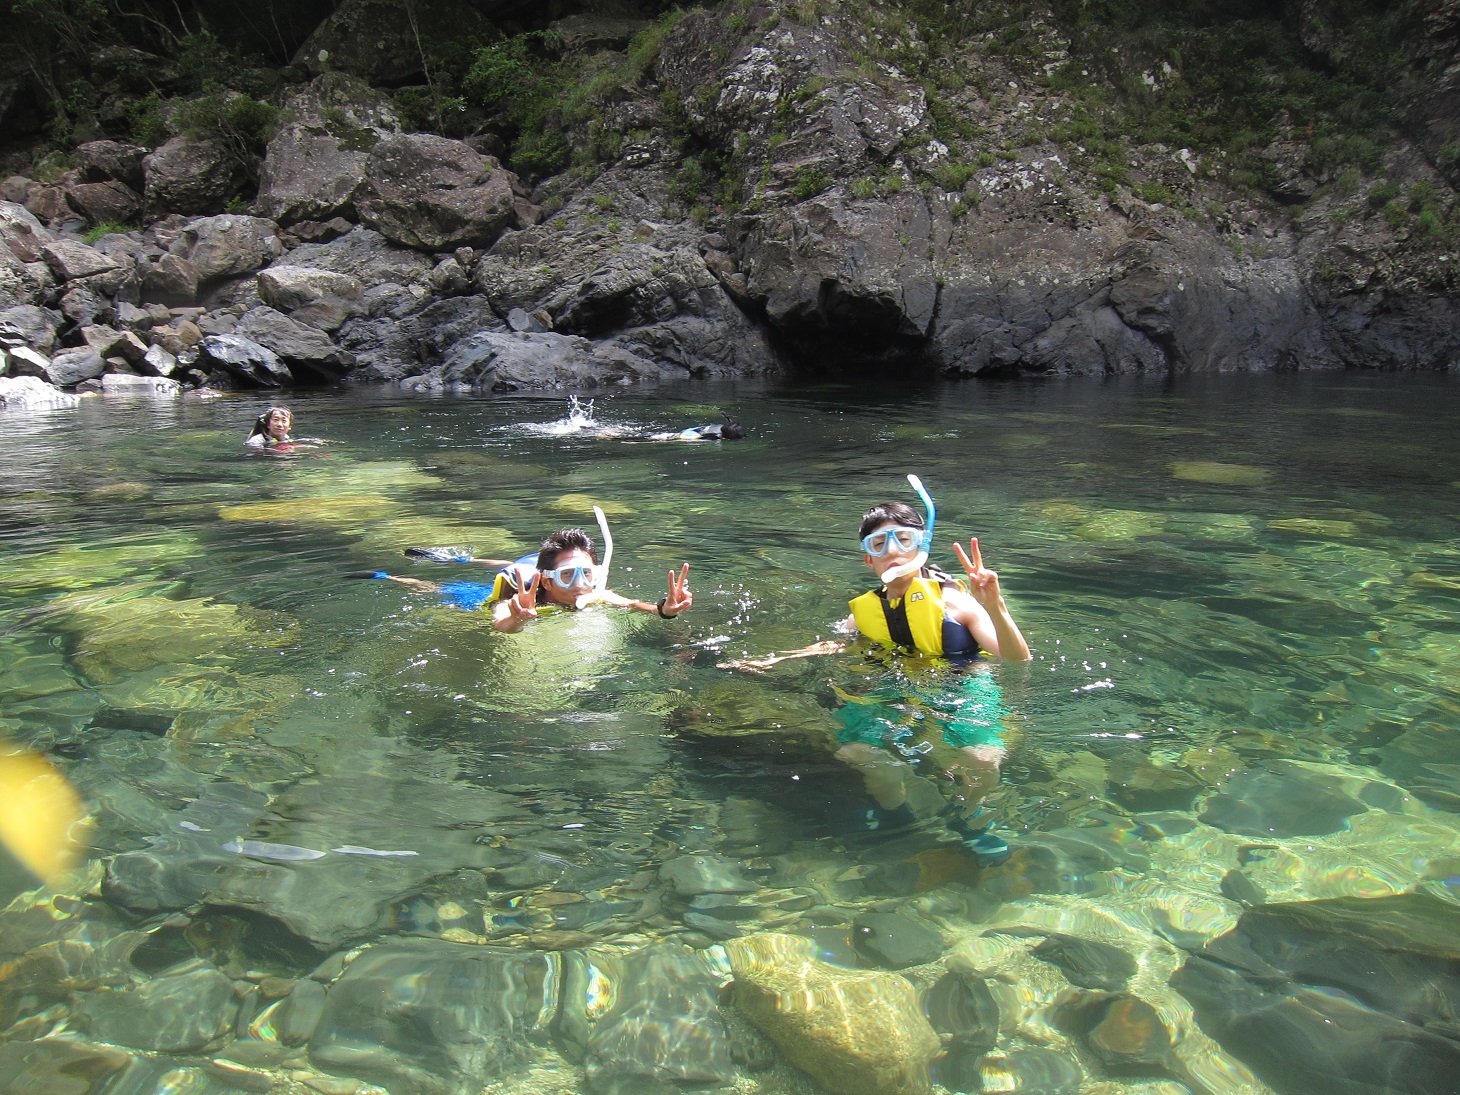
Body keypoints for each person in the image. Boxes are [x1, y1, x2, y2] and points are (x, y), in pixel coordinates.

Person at [721, 475, 1030, 866]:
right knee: (857, 750)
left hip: (961, 684)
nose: (893, 551)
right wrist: (777, 658)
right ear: (868, 559)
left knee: (983, 758)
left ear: (923, 544)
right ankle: (895, 813)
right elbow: (836, 643)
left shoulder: (957, 604)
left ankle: (971, 817)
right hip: (891, 684)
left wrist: (996, 605)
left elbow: (1017, 659)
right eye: (879, 544)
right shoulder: (863, 611)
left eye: (904, 539)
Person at [349, 517, 693, 633]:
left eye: (587, 574)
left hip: (529, 572)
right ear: (546, 579)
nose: (580, 586)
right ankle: (389, 576)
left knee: (513, 564)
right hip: (480, 599)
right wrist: (519, 620)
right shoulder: (516, 597)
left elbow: (635, 604)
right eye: (568, 576)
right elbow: (501, 623)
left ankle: (473, 559)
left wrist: (665, 610)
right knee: (437, 591)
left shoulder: (593, 592)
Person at [244, 406, 326, 451]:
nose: (279, 424)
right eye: (275, 420)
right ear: (268, 424)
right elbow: (256, 454)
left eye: (284, 420)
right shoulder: (256, 440)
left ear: (290, 426)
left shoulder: (286, 438)